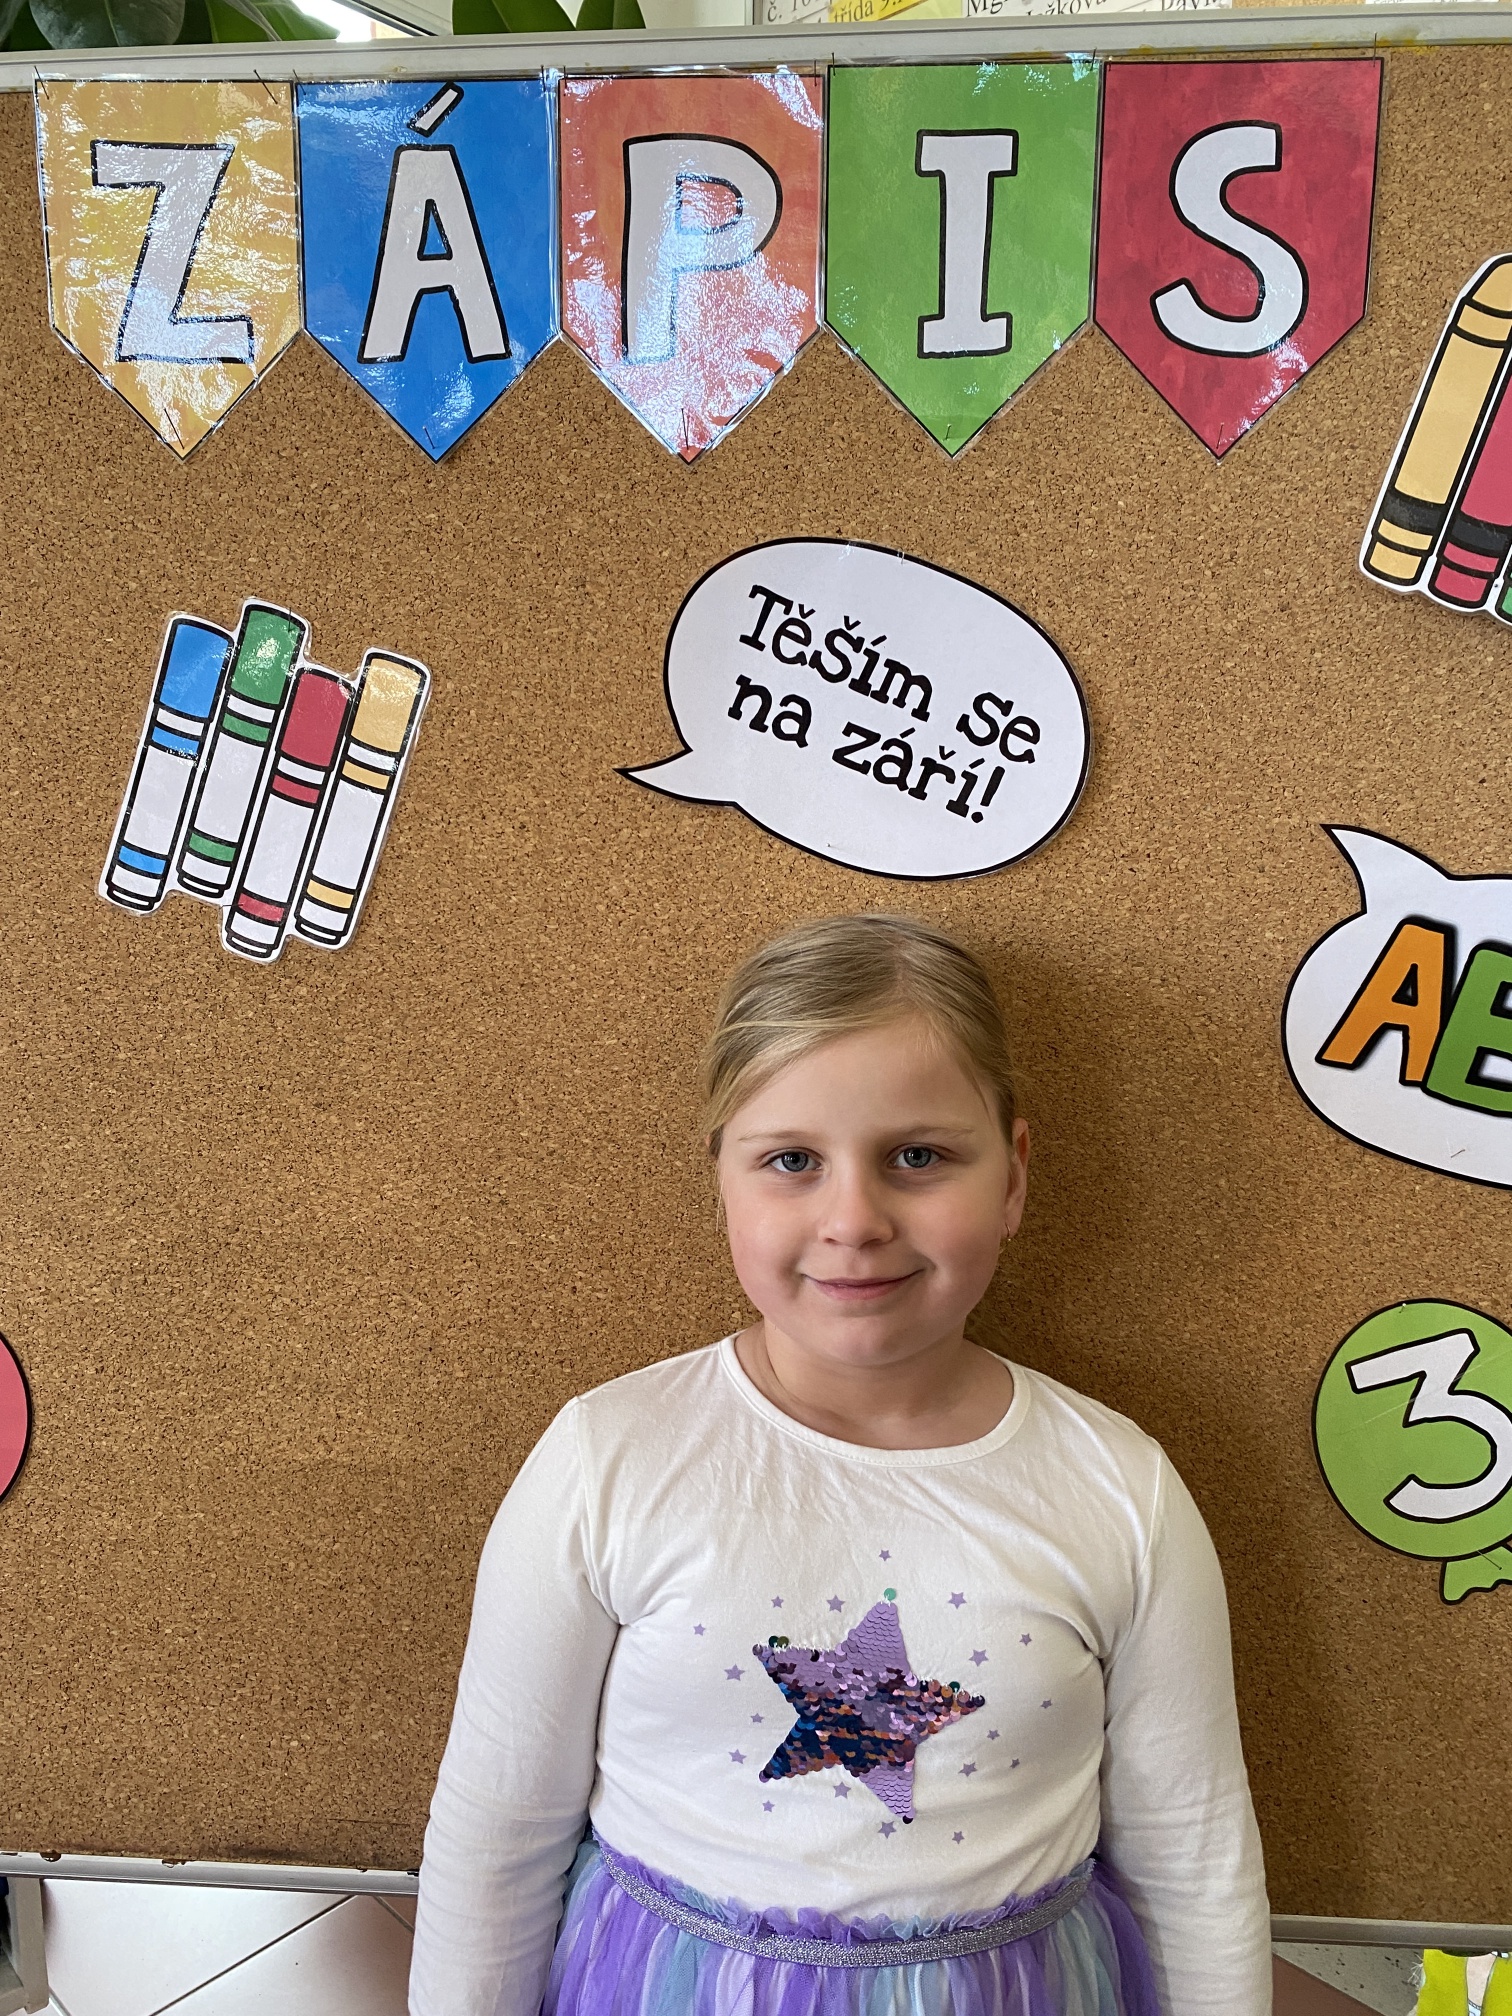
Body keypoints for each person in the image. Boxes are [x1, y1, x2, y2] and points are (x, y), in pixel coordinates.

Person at [409, 914, 1271, 2016]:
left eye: (919, 1157)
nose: (854, 1220)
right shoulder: (607, 1459)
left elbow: (1193, 1854)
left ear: (1013, 1178)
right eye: (792, 1162)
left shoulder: (1120, 1490)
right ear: (721, 1181)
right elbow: (498, 1828)